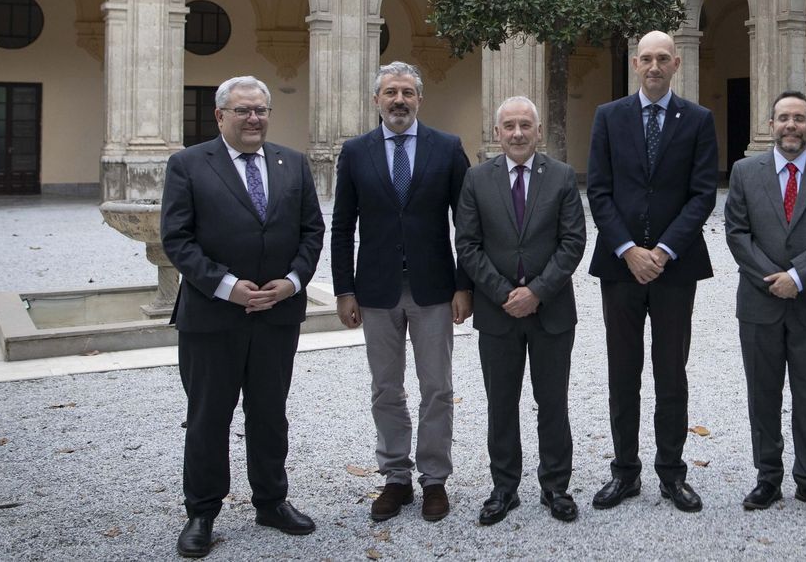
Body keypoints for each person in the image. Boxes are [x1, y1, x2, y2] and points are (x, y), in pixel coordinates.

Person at [161, 75, 324, 558]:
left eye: (261, 110)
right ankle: (202, 512)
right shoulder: (188, 164)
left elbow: (311, 231)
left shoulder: (292, 163)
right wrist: (228, 287)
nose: (254, 118)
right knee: (208, 416)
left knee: (271, 415)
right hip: (213, 318)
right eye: (243, 111)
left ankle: (272, 501)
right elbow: (177, 239)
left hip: (277, 314)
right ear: (220, 116)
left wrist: (292, 282)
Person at [331, 62, 471, 524]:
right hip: (375, 290)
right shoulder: (355, 152)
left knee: (437, 388)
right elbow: (342, 226)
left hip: (434, 289)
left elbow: (466, 224)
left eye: (407, 92)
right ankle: (396, 477)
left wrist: (463, 286)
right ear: (377, 100)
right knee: (386, 389)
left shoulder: (447, 149)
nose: (399, 100)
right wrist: (343, 289)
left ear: (419, 99)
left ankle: (434, 479)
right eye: (390, 92)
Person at [586, 30, 719, 513]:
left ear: (676, 64)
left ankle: (671, 473)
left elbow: (703, 193)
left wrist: (661, 251)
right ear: (635, 63)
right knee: (623, 372)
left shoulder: (699, 120)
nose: (655, 66)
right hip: (620, 269)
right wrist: (628, 250)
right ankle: (625, 472)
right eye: (647, 58)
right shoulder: (609, 116)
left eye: (664, 58)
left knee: (671, 372)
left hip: (674, 269)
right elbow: (599, 190)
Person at [455, 96, 587, 526]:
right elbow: (468, 245)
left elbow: (573, 243)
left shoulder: (563, 176)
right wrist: (503, 293)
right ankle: (504, 487)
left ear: (538, 131)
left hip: (550, 313)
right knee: (501, 403)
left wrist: (537, 292)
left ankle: (556, 486)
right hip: (497, 314)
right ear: (497, 133)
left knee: (552, 402)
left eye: (524, 126)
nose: (516, 133)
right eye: (508, 126)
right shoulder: (477, 179)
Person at [723, 91, 806, 515]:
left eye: (799, 118)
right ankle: (768, 478)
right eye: (783, 118)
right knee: (763, 394)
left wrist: (797, 277)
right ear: (771, 124)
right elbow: (737, 234)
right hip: (760, 303)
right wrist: (772, 280)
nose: (791, 125)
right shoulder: (744, 172)